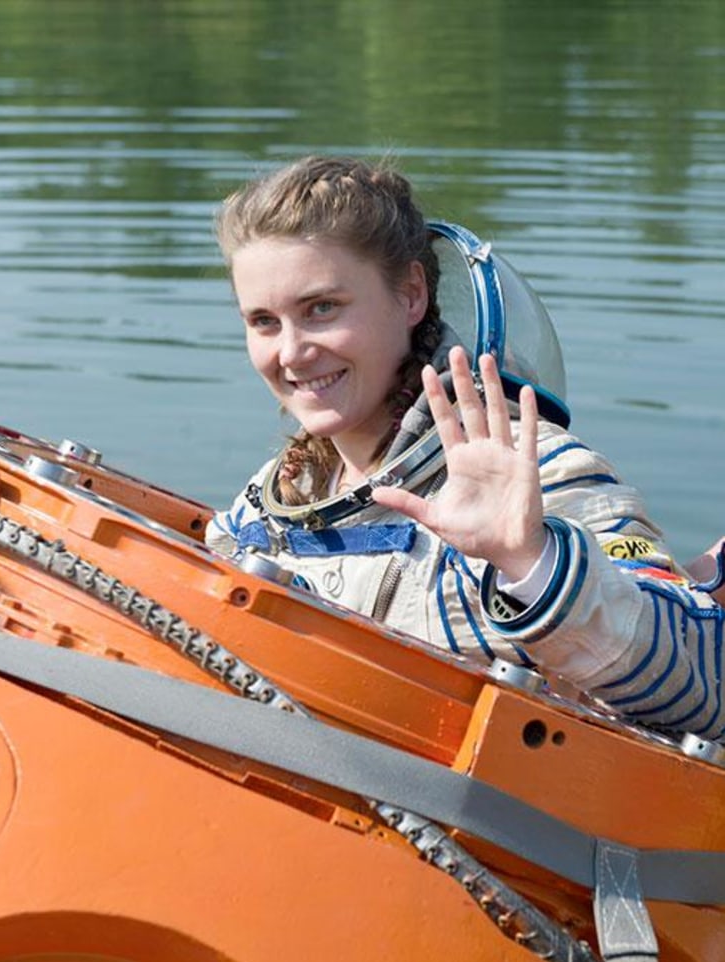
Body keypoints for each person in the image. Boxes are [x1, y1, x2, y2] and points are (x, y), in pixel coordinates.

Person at [206, 154, 725, 740]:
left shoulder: (530, 470)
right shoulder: (273, 499)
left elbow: (709, 681)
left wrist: (531, 562)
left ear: (411, 295)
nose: (292, 353)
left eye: (321, 309)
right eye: (264, 322)